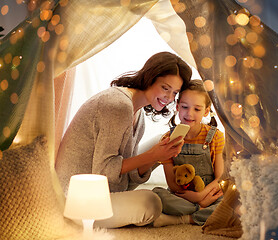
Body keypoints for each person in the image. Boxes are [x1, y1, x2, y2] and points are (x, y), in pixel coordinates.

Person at [55, 51, 192, 228]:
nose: (169, 98)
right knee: (151, 202)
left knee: (163, 140)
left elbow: (129, 170)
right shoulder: (118, 106)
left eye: (175, 92)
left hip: (105, 186)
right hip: (78, 200)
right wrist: (152, 156)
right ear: (150, 77)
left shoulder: (138, 112)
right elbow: (104, 170)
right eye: (165, 88)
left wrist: (157, 155)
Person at [152, 79, 225, 227]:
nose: (189, 114)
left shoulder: (216, 136)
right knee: (157, 195)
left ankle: (184, 219)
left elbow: (220, 177)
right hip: (181, 195)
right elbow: (172, 184)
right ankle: (201, 210)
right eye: (185, 107)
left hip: (207, 192)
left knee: (234, 203)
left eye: (197, 109)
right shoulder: (168, 139)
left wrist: (200, 196)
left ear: (206, 111)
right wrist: (199, 202)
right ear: (177, 106)